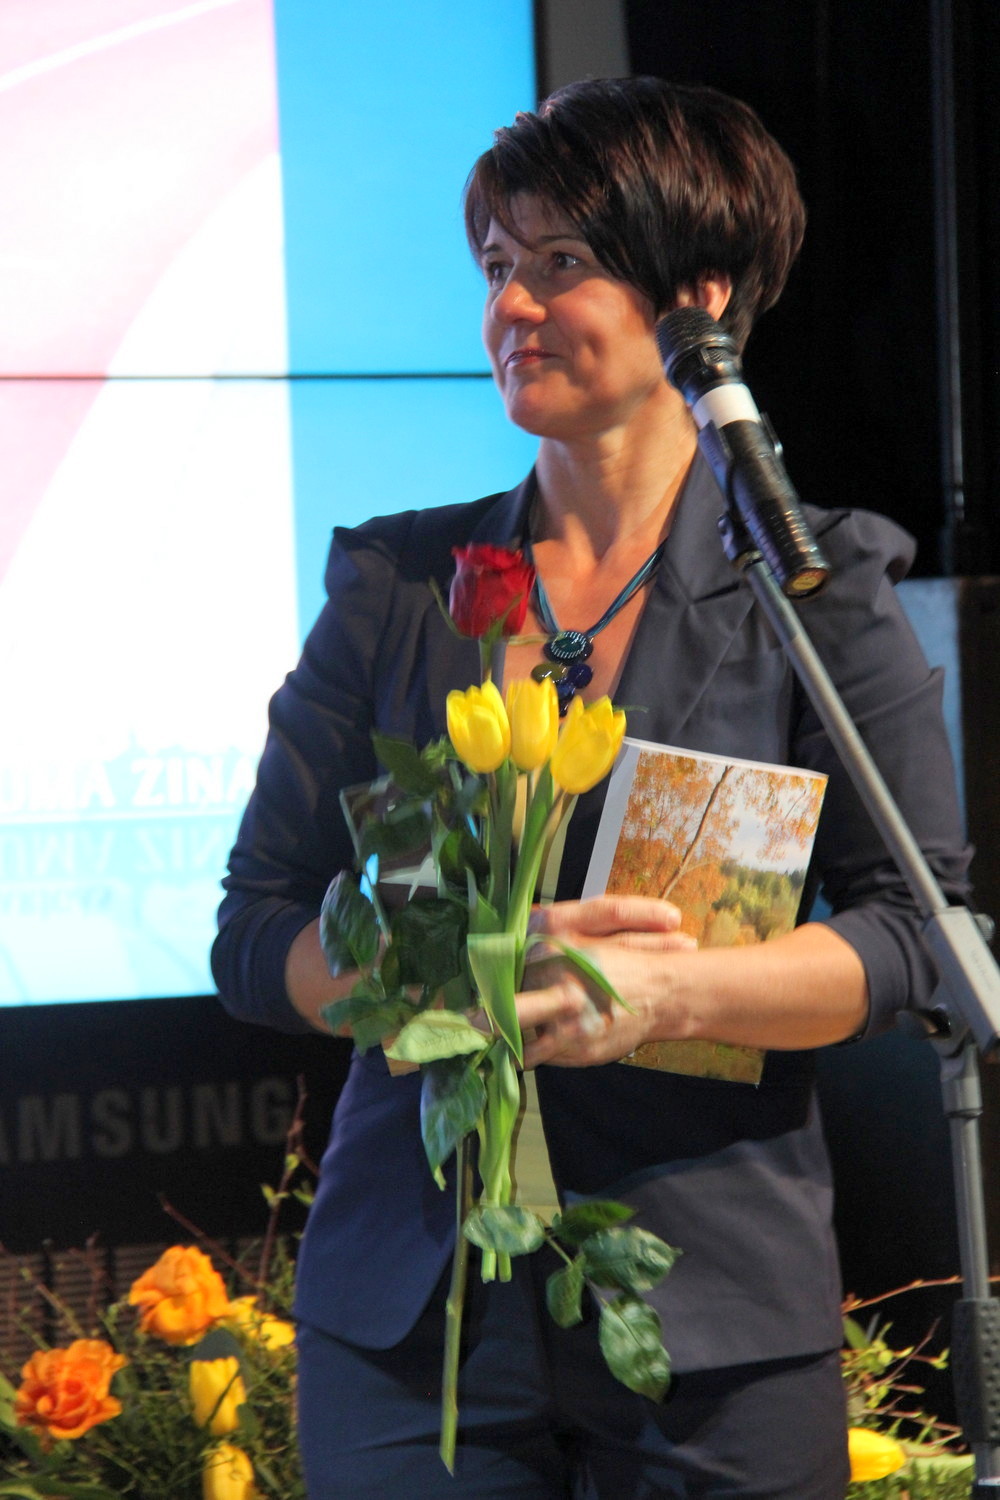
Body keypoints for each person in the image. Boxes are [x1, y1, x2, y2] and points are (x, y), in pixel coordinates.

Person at [212, 77, 969, 1498]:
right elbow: (254, 929)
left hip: (711, 1322)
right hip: (413, 1324)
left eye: (561, 262)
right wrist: (447, 986)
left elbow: (918, 938)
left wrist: (675, 998)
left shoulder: (815, 590)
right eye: (499, 265)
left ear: (701, 297)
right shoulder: (400, 586)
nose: (513, 305)